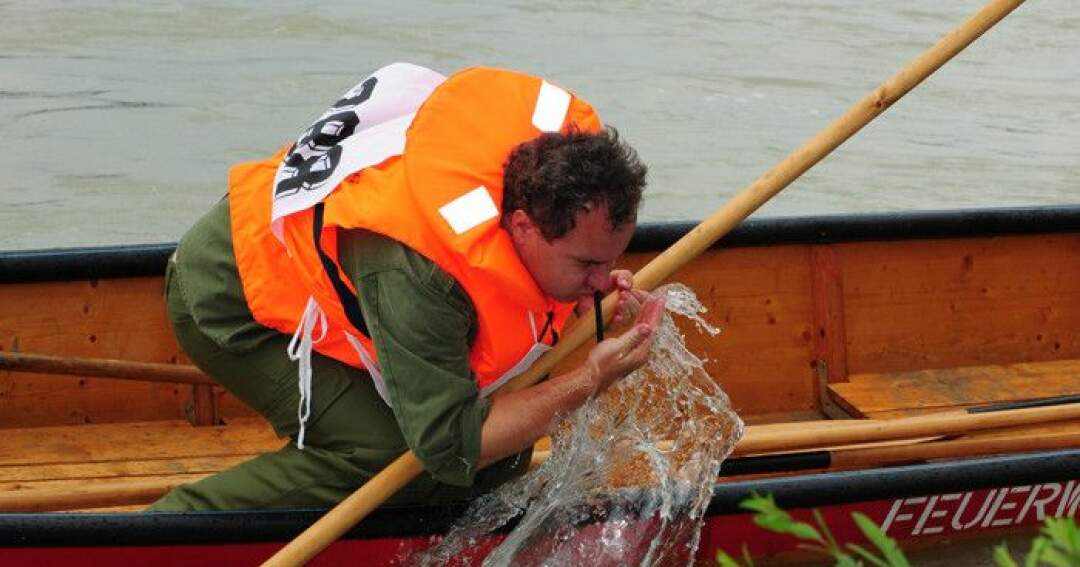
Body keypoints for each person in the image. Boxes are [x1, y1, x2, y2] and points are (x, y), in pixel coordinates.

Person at [149, 63, 662, 511]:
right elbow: (448, 444)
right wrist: (587, 379)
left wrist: (581, 288)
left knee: (500, 456)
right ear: (524, 226)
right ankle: (167, 528)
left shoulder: (534, 193)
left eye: (612, 260)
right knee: (392, 458)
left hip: (350, 275)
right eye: (588, 263)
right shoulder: (419, 269)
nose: (607, 279)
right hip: (233, 294)